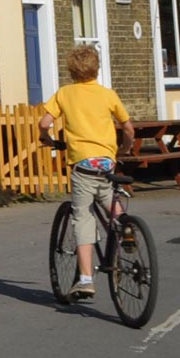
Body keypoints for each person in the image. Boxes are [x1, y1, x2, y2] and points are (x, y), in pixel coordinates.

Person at [38, 44, 135, 301]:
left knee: (82, 218)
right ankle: (126, 228)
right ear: (96, 67)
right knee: (107, 198)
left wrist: (45, 138)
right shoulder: (107, 94)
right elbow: (128, 128)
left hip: (83, 165)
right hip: (106, 162)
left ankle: (86, 279)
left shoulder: (65, 93)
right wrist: (123, 150)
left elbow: (44, 122)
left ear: (71, 69)